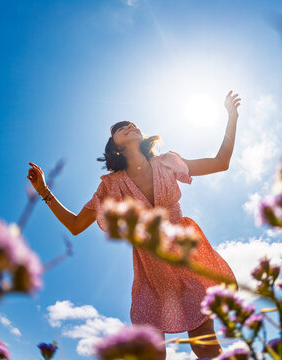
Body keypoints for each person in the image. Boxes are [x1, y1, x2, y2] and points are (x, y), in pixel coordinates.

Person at [27, 90, 241, 359]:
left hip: (189, 260)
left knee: (205, 346)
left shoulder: (167, 163)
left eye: (132, 124)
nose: (129, 126)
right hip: (151, 272)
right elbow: (75, 225)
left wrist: (231, 117)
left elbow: (221, 163)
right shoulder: (111, 185)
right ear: (115, 146)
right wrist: (44, 190)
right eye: (120, 128)